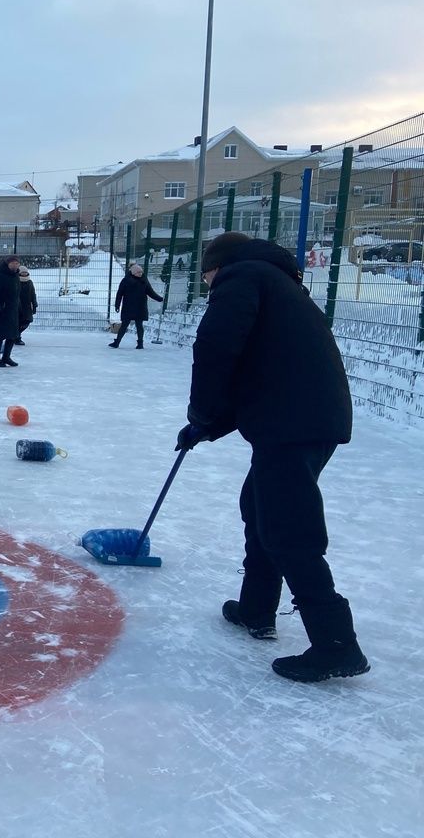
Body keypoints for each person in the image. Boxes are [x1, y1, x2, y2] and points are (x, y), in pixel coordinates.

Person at [176, 231, 368, 683]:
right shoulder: (276, 283)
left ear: (216, 266)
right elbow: (263, 367)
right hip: (304, 416)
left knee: (288, 527)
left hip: (294, 421)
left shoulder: (242, 278)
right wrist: (209, 426)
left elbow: (217, 350)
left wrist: (202, 412)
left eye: (206, 279)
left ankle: (336, 644)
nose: (208, 287)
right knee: (260, 505)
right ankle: (257, 608)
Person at [110, 263, 163, 349]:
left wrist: (159, 298)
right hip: (128, 306)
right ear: (133, 273)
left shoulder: (144, 280)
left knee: (139, 325)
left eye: (141, 272)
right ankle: (117, 342)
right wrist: (117, 305)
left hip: (140, 306)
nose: (140, 274)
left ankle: (140, 343)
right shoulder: (125, 280)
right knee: (124, 324)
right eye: (138, 272)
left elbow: (150, 292)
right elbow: (119, 293)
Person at [15, 266, 38, 345]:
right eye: (22, 272)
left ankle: (16, 335)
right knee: (18, 322)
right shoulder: (16, 281)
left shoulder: (30, 282)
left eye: (25, 272)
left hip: (27, 306)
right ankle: (17, 337)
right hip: (18, 306)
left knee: (27, 321)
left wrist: (34, 305)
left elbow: (33, 294)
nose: (24, 274)